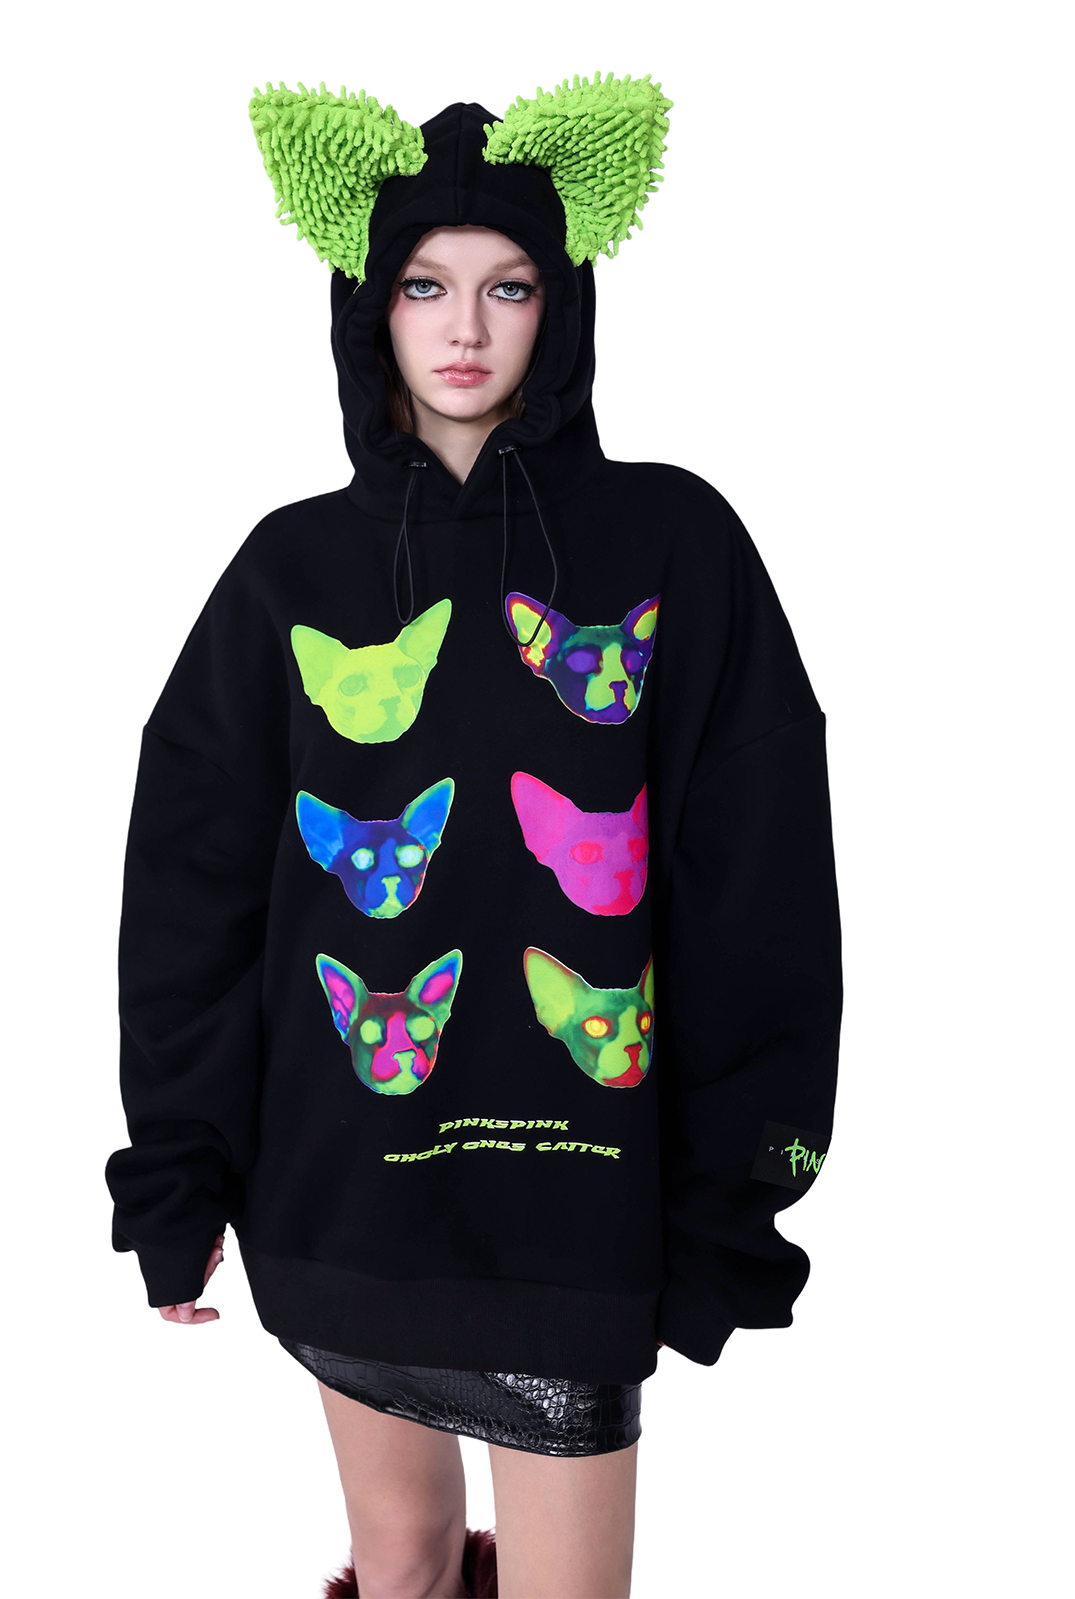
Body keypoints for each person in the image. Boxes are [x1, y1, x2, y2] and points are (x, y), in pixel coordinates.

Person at [106, 75, 842, 1599]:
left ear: (559, 306)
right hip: (344, 1190)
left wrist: (735, 1201)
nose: (464, 328)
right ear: (366, 309)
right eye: (424, 286)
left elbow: (759, 892)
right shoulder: (288, 569)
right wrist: (179, 1176)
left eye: (508, 286)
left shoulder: (677, 543)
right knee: (404, 1565)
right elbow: (193, 889)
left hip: (580, 1208)